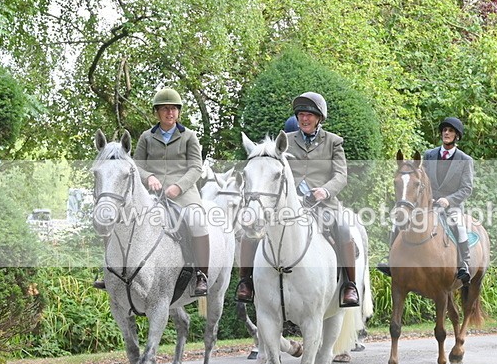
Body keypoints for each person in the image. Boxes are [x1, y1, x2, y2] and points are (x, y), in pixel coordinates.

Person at [235, 91, 360, 307]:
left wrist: (325, 191)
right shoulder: (284, 141)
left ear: (319, 118)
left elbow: (341, 176)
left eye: (309, 115)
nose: (304, 118)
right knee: (250, 229)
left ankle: (350, 285)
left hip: (323, 203)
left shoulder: (333, 142)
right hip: (288, 204)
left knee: (342, 227)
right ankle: (246, 282)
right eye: (301, 114)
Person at [93, 87, 210, 295]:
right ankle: (111, 272)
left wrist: (178, 187)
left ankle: (201, 274)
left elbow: (196, 168)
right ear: (157, 112)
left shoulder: (189, 136)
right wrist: (150, 178)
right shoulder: (147, 137)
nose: (170, 112)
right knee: (117, 218)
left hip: (184, 195)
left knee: (198, 222)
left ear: (178, 112)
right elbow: (135, 165)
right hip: (152, 195)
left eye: (174, 108)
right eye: (165, 109)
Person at [376, 117, 474, 284]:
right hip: (428, 203)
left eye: (450, 131)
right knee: (398, 221)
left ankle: (464, 263)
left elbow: (467, 189)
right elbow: (420, 179)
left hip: (451, 205)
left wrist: (447, 200)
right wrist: (428, 198)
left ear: (457, 136)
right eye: (444, 130)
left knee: (458, 224)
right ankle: (390, 259)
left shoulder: (465, 160)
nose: (446, 133)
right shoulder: (429, 154)